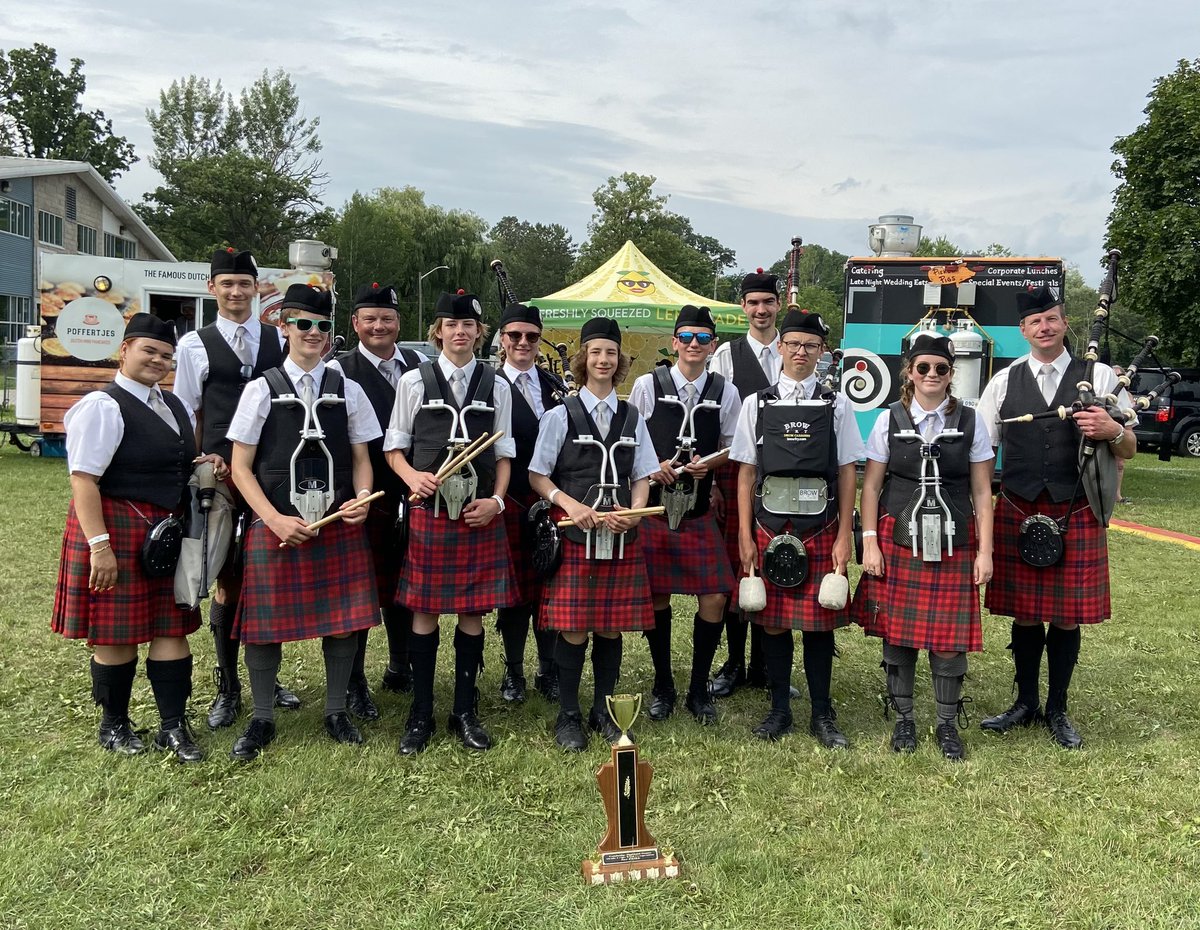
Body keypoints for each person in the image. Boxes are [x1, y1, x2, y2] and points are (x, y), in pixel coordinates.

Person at [52, 314, 223, 762]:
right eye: (150, 351)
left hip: (165, 534)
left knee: (172, 629)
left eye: (166, 356)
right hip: (117, 529)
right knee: (116, 635)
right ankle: (114, 725)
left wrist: (201, 460)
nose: (158, 361)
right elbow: (84, 481)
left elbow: (172, 460)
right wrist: (99, 547)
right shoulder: (102, 406)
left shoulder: (171, 405)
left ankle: (173, 726)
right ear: (125, 349)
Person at [974, 285, 1135, 749]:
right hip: (1020, 506)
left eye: (1052, 318)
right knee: (1025, 615)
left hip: (1075, 507)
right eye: (1034, 321)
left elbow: (1130, 446)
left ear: (1065, 322)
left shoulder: (1099, 375)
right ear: (1022, 330)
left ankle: (1057, 709)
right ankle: (1025, 702)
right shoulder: (1003, 381)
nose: (1044, 327)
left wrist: (1113, 428)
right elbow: (982, 450)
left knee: (1066, 616)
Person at [225, 284, 382, 761]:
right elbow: (240, 467)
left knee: (341, 623)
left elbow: (361, 456)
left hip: (335, 523)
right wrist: (271, 519)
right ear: (284, 327)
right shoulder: (261, 388)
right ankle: (262, 718)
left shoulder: (348, 389)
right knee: (263, 627)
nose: (314, 333)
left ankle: (336, 711)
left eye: (322, 326)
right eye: (304, 324)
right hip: (279, 524)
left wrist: (361, 498)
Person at [384, 289, 518, 755]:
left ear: (480, 334)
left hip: (477, 515)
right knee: (422, 612)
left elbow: (504, 455)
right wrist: (411, 476)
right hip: (431, 514)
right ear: (437, 331)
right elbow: (393, 447)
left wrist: (498, 503)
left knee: (471, 612)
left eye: (469, 326)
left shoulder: (496, 384)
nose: (459, 333)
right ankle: (421, 712)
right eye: (450, 325)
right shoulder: (413, 381)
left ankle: (465, 710)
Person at [173, 247, 301, 729]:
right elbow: (187, 411)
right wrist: (199, 459)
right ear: (212, 289)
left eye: (243, 283)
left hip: (273, 475)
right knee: (228, 582)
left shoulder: (278, 338)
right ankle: (228, 688)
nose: (235, 292)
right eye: (226, 284)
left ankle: (269, 679)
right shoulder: (194, 345)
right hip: (225, 478)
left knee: (268, 579)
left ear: (256, 288)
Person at [854, 335, 994, 760]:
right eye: (923, 368)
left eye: (941, 368)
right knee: (897, 635)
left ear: (951, 374)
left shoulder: (972, 421)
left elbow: (983, 491)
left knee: (949, 640)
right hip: (898, 534)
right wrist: (870, 543)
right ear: (909, 372)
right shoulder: (888, 420)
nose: (932, 375)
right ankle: (904, 721)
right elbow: (871, 486)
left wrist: (985, 551)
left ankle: (948, 726)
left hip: (954, 538)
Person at [730, 308, 865, 746]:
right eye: (793, 344)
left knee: (819, 623)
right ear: (781, 348)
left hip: (820, 525)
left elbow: (847, 472)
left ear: (822, 352)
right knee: (771, 624)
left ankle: (823, 715)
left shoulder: (837, 403)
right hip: (769, 525)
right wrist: (744, 535)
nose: (801, 352)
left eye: (810, 345)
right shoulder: (757, 403)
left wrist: (846, 534)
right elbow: (746, 473)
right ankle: (779, 710)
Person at [528, 316, 659, 751]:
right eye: (596, 352)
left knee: (610, 629)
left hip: (621, 537)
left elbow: (643, 473)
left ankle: (604, 711)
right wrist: (569, 504)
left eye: (611, 353)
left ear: (620, 360)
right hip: (575, 537)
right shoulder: (560, 415)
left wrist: (636, 512)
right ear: (584, 358)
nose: (604, 360)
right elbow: (538, 475)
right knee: (574, 629)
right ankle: (568, 715)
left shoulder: (632, 415)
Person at [627, 305, 740, 725]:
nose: (695, 345)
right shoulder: (646, 384)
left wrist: (708, 464)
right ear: (675, 342)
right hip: (656, 509)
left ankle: (697, 688)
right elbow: (629, 438)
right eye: (687, 337)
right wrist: (652, 463)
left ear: (712, 345)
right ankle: (663, 685)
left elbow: (734, 445)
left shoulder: (725, 391)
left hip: (696, 511)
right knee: (656, 596)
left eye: (703, 339)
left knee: (714, 595)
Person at [329, 283, 426, 718]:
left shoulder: (421, 366)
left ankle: (399, 665)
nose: (379, 326)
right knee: (361, 590)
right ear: (355, 324)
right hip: (363, 495)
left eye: (386, 318)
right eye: (369, 319)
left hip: (415, 491)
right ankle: (354, 683)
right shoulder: (339, 371)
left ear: (398, 324)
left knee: (403, 586)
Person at [708, 269, 784, 698]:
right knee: (739, 566)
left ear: (777, 306)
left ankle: (766, 666)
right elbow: (720, 425)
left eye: (767, 303)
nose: (760, 310)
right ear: (743, 308)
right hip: (738, 468)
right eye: (753, 303)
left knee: (774, 563)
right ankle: (735, 663)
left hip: (785, 474)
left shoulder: (795, 348)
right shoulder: (725, 357)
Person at [494, 301, 564, 704]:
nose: (523, 342)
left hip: (552, 500)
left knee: (549, 588)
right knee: (516, 594)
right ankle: (514, 672)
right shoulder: (488, 385)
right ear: (502, 340)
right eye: (515, 335)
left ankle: (549, 670)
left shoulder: (555, 387)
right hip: (511, 501)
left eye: (531, 337)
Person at [1110, 366, 1131, 503]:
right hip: (1100, 432)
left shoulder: (1127, 395)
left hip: (1118, 431)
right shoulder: (1103, 387)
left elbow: (1130, 423)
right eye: (1115, 374)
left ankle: (1117, 495)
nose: (1118, 377)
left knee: (1120, 464)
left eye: (1121, 375)